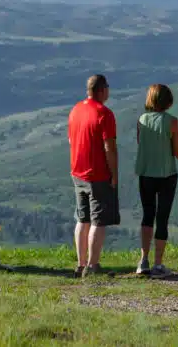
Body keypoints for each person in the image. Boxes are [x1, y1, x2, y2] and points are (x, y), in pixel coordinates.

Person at [68, 73, 119, 278]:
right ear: (102, 91)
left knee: (82, 218)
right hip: (97, 174)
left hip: (77, 171)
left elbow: (71, 141)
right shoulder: (104, 114)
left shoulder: (76, 109)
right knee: (98, 220)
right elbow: (110, 148)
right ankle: (93, 265)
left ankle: (81, 264)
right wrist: (114, 174)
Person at [134, 83, 178, 276]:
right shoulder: (172, 122)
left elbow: (141, 143)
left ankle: (143, 260)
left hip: (145, 173)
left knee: (147, 216)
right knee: (162, 218)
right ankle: (158, 264)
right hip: (166, 174)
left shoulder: (141, 120)